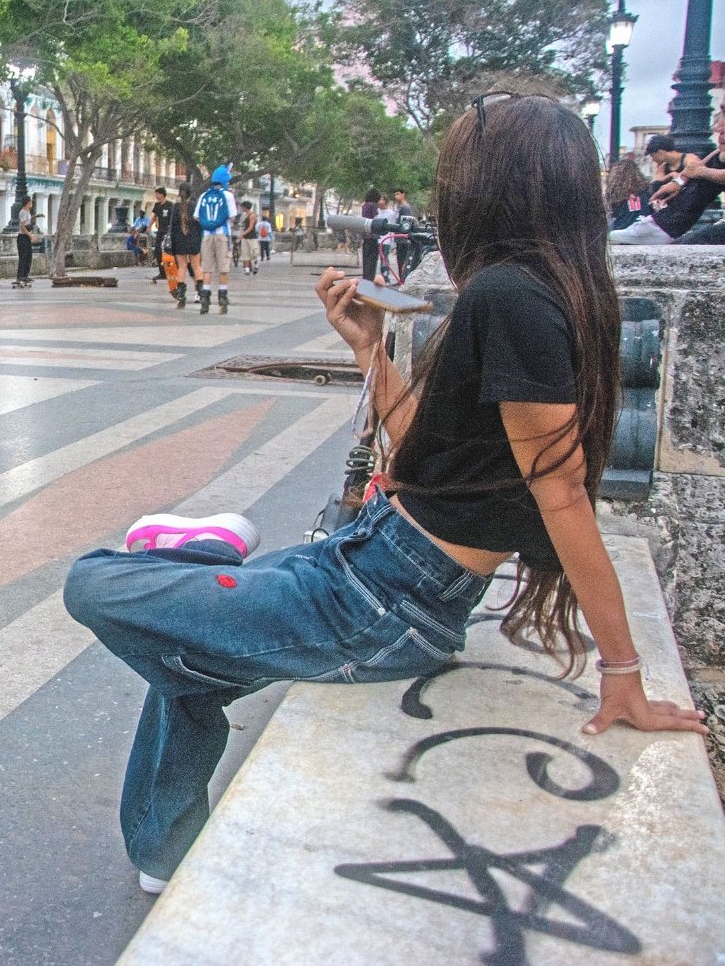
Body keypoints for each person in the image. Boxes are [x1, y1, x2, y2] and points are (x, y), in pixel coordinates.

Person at [63, 93, 707, 897]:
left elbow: (563, 494)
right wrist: (369, 348)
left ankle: (198, 554)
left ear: (492, 186)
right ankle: (162, 849)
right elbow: (435, 459)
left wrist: (624, 671)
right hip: (376, 567)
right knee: (188, 658)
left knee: (93, 580)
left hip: (379, 601)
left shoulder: (510, 296)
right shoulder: (553, 291)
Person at [610, 111, 725, 244]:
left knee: (689, 242)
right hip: (671, 208)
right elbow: (698, 168)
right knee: (717, 160)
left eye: (653, 156)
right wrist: (679, 181)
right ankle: (659, 225)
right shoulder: (663, 166)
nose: (717, 127)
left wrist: (695, 173)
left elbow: (697, 169)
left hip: (685, 215)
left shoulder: (689, 159)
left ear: (660, 152)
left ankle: (660, 227)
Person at [195, 166, 238, 314]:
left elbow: (197, 216)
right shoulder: (228, 195)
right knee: (223, 269)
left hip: (206, 236)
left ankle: (205, 300)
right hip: (222, 235)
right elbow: (232, 216)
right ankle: (222, 299)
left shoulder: (203, 195)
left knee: (206, 269)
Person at [166, 182, 202, 309]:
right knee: (197, 267)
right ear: (190, 193)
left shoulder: (175, 207)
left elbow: (172, 226)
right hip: (193, 239)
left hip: (179, 240)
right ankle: (201, 294)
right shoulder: (194, 207)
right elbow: (199, 224)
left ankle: (181, 297)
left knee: (181, 268)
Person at [604, 158, 652, 233]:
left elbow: (611, 214)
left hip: (621, 228)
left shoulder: (616, 194)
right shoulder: (646, 190)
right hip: (644, 227)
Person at [150, 187, 174, 283]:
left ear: (162, 194)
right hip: (160, 231)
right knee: (157, 250)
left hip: (168, 231)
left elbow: (173, 219)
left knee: (168, 251)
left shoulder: (170, 205)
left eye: (157, 194)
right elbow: (154, 217)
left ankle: (170, 271)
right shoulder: (157, 205)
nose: (156, 196)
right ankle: (162, 272)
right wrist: (149, 226)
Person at [359, 188, 381, 279]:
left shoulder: (364, 205)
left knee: (366, 259)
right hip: (373, 235)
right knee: (372, 260)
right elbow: (376, 218)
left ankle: (366, 277)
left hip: (365, 234)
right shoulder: (373, 206)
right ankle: (370, 278)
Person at [15, 195, 36, 288]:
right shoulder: (23, 212)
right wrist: (30, 234)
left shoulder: (28, 212)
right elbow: (22, 226)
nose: (31, 203)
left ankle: (25, 275)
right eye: (30, 202)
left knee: (28, 256)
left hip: (26, 237)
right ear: (27, 202)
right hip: (23, 237)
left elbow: (27, 222)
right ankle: (20, 276)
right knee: (23, 256)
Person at [237, 201, 260, 276]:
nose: (242, 208)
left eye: (242, 206)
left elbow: (251, 227)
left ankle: (256, 263)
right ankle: (247, 269)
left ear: (245, 207)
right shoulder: (245, 215)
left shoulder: (252, 215)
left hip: (252, 237)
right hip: (245, 238)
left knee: (254, 252)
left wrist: (243, 233)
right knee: (245, 253)